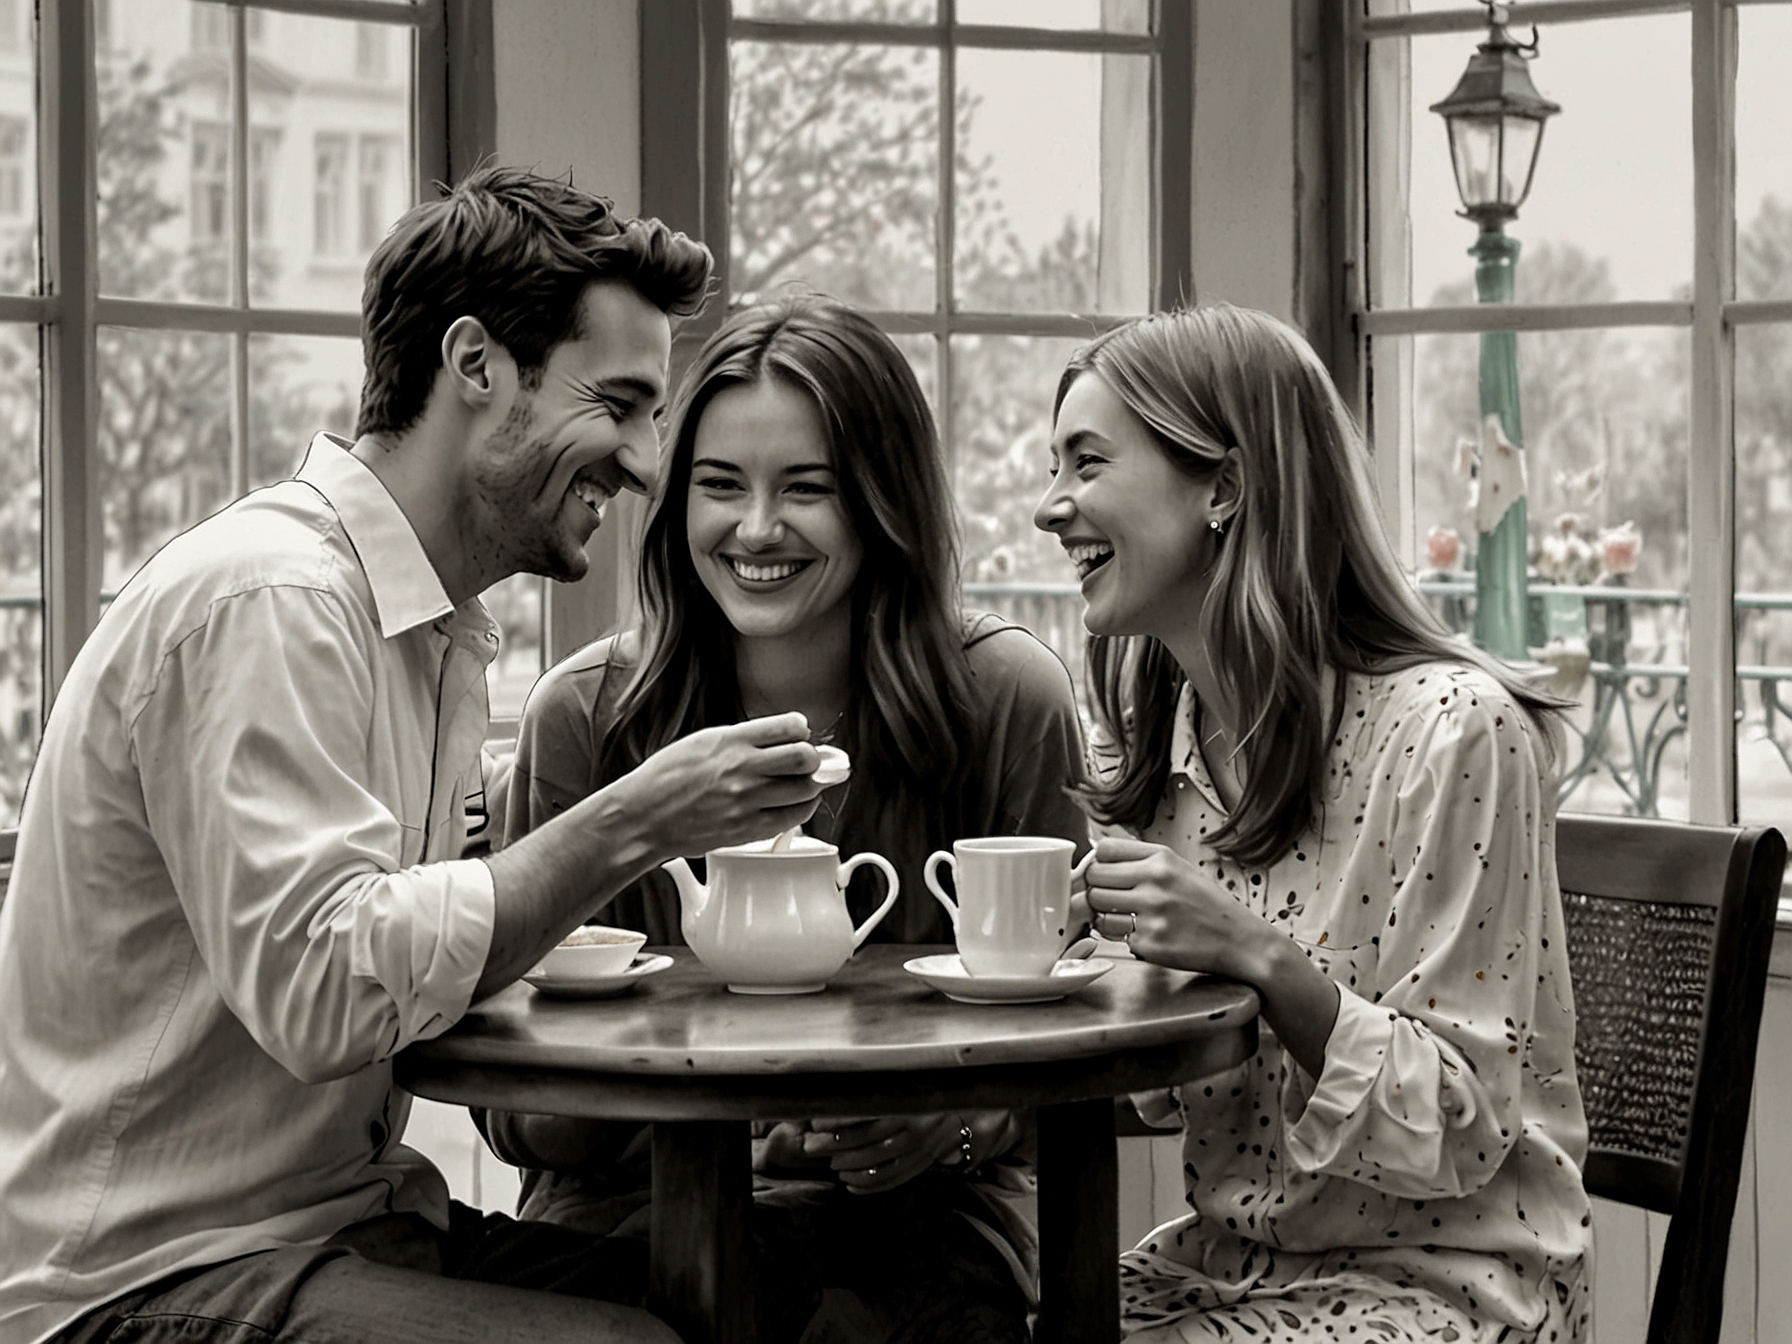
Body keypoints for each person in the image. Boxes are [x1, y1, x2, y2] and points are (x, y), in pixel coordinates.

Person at [0, 166, 835, 1344]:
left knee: (779, 1286)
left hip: (337, 1220)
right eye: (622, 403)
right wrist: (640, 818)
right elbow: (329, 993)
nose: (648, 464)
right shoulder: (273, 600)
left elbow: (404, 953)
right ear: (477, 365)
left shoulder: (434, 633)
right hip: (144, 1275)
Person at [481, 295, 1089, 1344]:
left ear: (882, 502)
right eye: (719, 486)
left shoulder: (1005, 700)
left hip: (920, 1229)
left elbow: (1081, 1043)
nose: (756, 529)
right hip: (635, 1232)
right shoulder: (583, 717)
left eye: (807, 489)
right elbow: (518, 1119)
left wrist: (956, 1125)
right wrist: (686, 1109)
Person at [1033, 305, 1591, 1342]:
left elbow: (1460, 1128)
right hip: (1223, 1271)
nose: (1047, 507)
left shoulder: (1455, 734)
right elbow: (1190, 1088)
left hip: (1446, 1288)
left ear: (1224, 487)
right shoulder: (1173, 745)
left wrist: (1257, 958)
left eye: (1085, 462)